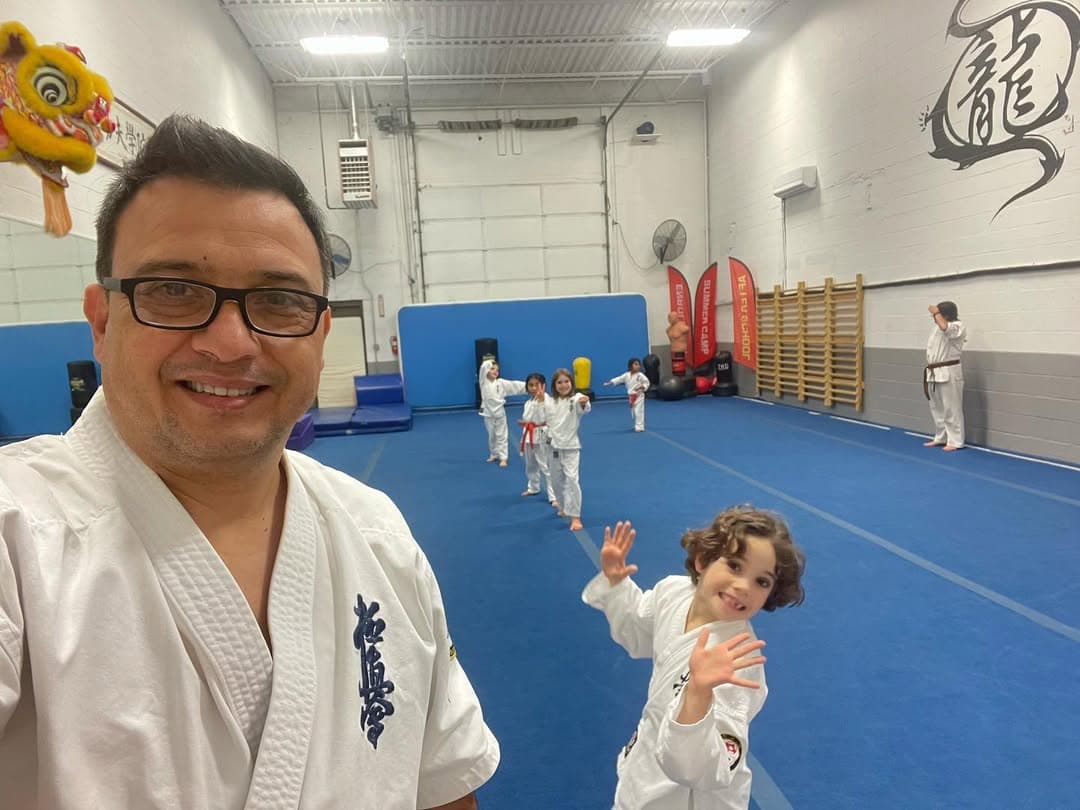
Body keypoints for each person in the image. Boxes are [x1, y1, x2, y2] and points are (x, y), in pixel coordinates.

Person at [0, 115, 499, 809]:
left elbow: (441, 781)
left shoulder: (376, 531)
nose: (231, 343)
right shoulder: (17, 541)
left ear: (321, 334)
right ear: (103, 319)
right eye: (173, 290)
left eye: (279, 301)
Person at [583, 507, 805, 810]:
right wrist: (617, 583)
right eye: (735, 566)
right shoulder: (673, 591)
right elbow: (639, 632)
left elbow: (704, 769)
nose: (743, 587)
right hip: (649, 762)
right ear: (702, 560)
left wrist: (698, 694)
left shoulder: (738, 662)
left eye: (762, 582)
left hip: (689, 796)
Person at [545, 367, 591, 532]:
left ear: (571, 383)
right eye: (559, 382)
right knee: (556, 481)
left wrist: (584, 402)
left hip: (571, 447)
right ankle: (563, 506)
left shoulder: (575, 398)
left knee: (572, 480)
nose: (563, 385)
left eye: (566, 382)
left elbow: (583, 405)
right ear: (554, 385)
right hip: (552, 447)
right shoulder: (550, 402)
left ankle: (575, 516)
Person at [923, 300, 967, 451]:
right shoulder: (936, 328)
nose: (933, 318)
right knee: (937, 408)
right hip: (934, 371)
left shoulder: (958, 326)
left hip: (949, 370)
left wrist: (936, 312)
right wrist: (936, 314)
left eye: (937, 315)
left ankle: (955, 441)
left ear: (945, 315)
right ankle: (941, 437)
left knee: (951, 408)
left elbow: (945, 328)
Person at [478, 357, 527, 467]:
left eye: (497, 370)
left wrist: (528, 386)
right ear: (486, 370)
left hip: (500, 414)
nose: (495, 371)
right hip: (488, 414)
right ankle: (494, 453)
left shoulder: (501, 383)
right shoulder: (483, 382)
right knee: (492, 436)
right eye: (492, 369)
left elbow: (515, 385)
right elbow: (483, 368)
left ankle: (503, 457)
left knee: (501, 435)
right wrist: (490, 361)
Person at [517, 372, 557, 503]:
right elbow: (528, 417)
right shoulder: (528, 402)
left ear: (543, 386)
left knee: (546, 466)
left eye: (537, 385)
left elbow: (542, 418)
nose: (534, 388)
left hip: (543, 435)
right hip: (529, 435)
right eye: (531, 385)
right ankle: (533, 487)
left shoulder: (548, 401)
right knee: (530, 465)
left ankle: (554, 495)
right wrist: (525, 422)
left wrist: (540, 402)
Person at [603, 357, 651, 432]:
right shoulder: (626, 375)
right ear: (630, 366)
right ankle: (637, 424)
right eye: (636, 364)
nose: (638, 366)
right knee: (634, 411)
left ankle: (640, 426)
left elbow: (646, 382)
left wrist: (643, 387)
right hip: (631, 396)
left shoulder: (640, 375)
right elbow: (619, 379)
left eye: (639, 364)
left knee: (639, 411)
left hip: (639, 395)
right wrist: (610, 382)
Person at [666, 312, 691, 376]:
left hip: (680, 351)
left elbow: (687, 329)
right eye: (668, 317)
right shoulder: (668, 329)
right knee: (675, 370)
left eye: (671, 317)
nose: (669, 319)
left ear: (676, 318)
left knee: (680, 372)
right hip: (673, 351)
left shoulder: (682, 327)